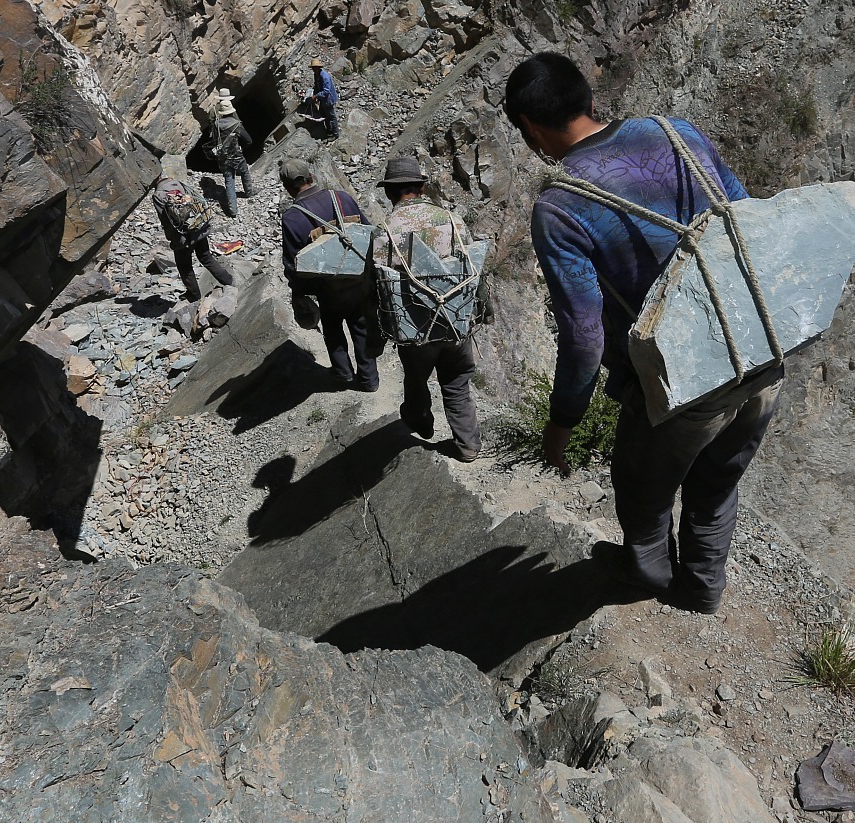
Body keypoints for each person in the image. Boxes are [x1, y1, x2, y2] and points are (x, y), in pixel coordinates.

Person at [505, 51, 779, 614]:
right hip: (760, 346)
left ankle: (649, 574)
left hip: (684, 385)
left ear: (531, 127)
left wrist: (560, 427)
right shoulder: (674, 133)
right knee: (718, 479)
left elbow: (583, 337)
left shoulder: (560, 209)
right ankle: (702, 587)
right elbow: (746, 215)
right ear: (588, 96)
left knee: (641, 487)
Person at [376, 154, 480, 461]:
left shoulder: (385, 230)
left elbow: (381, 283)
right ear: (421, 188)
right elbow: (470, 263)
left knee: (416, 377)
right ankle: (468, 445)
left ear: (389, 192)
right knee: (457, 379)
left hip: (415, 326)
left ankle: (420, 420)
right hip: (455, 320)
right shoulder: (451, 219)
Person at [279, 157, 379, 390]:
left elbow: (293, 263)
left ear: (287, 187)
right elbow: (367, 232)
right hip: (359, 278)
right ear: (311, 177)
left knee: (333, 329)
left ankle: (343, 374)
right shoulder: (341, 198)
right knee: (361, 326)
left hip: (327, 287)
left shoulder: (292, 217)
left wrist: (299, 293)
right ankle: (369, 380)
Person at [152, 170, 235, 303]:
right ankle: (229, 281)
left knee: (184, 266)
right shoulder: (178, 183)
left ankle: (194, 295)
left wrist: (173, 239)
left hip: (182, 236)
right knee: (206, 257)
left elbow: (166, 220)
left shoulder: (158, 194)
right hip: (198, 227)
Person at [205, 91, 253, 217]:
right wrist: (243, 149)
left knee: (229, 181)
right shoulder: (236, 124)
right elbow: (248, 140)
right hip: (236, 154)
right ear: (232, 111)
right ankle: (248, 192)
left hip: (223, 157)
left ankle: (233, 210)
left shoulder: (216, 124)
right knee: (244, 172)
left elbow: (213, 140)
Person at [301, 57, 338, 135]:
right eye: (313, 68)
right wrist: (315, 94)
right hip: (323, 99)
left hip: (328, 99)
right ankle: (329, 130)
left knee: (331, 116)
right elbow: (317, 86)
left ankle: (335, 133)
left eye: (315, 68)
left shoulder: (325, 77)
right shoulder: (316, 74)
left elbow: (326, 91)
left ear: (318, 67)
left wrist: (316, 96)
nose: (314, 69)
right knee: (324, 114)